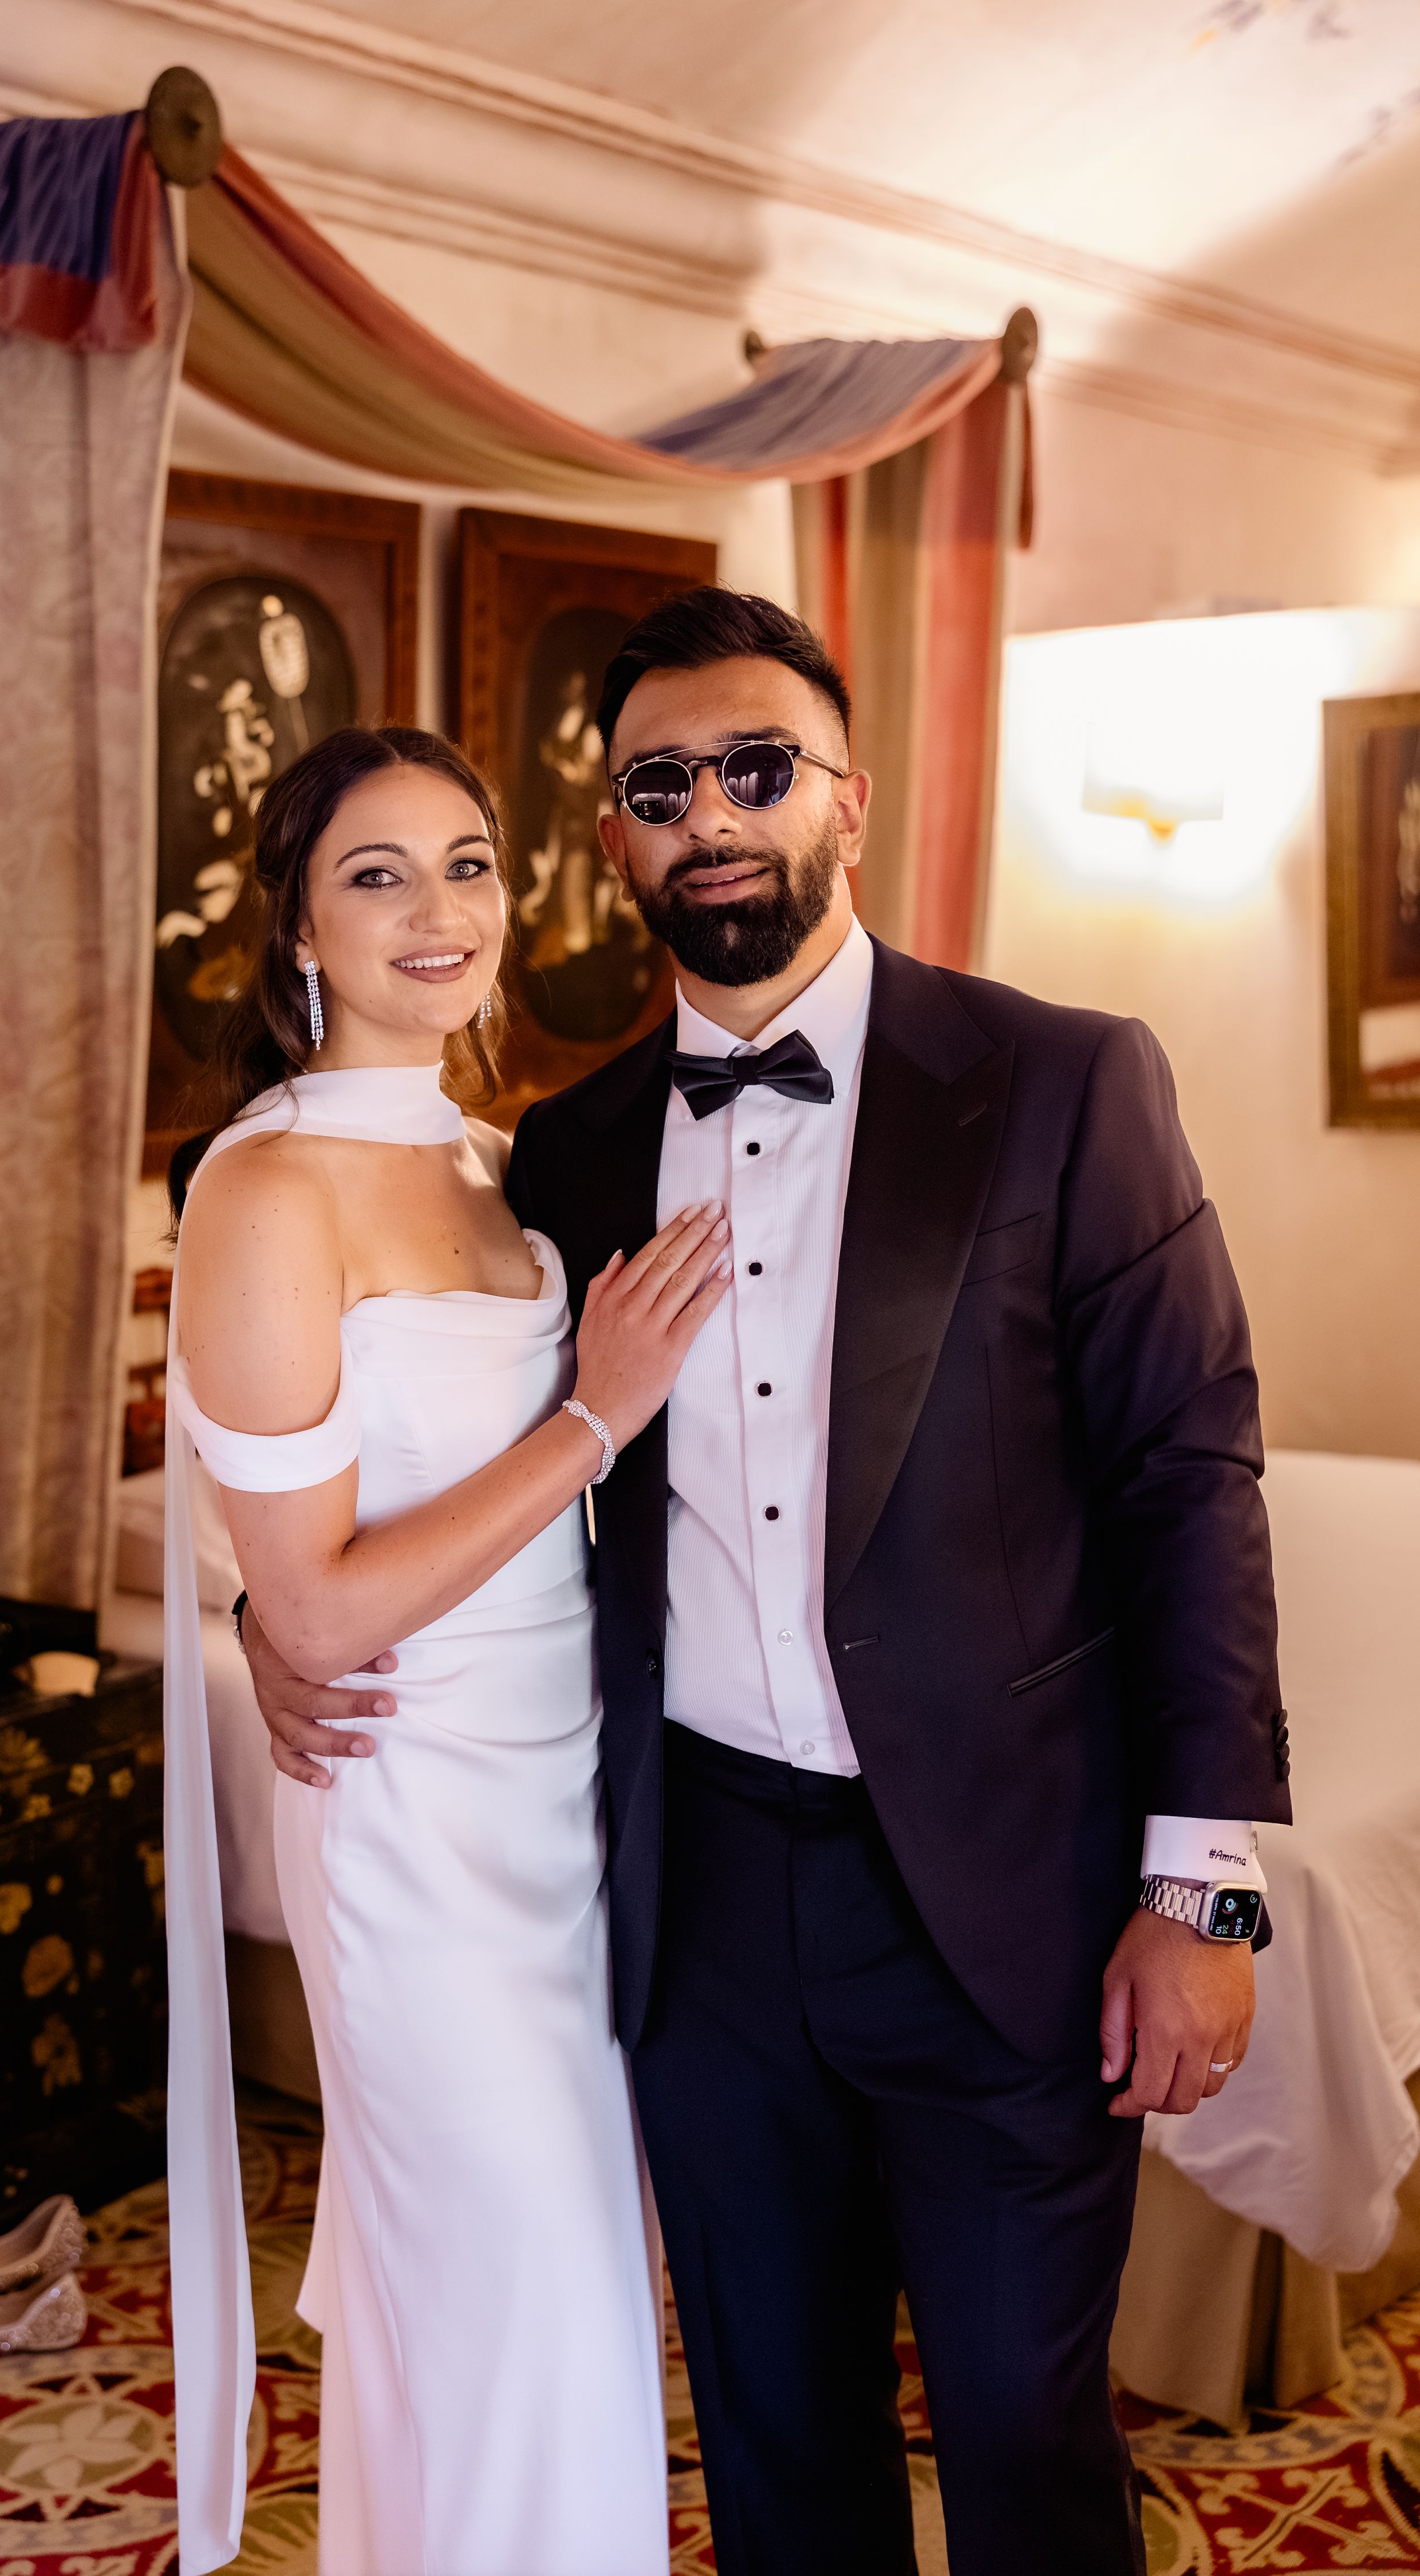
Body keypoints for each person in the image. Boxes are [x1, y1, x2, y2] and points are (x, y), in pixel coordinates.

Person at [246, 591, 1295, 2576]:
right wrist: (271, 1613)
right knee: (775, 2439)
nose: (711, 814)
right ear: (616, 840)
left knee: (1026, 2442)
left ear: (848, 798)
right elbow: (427, 1456)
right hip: (701, 1907)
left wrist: (1205, 1891)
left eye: (756, 767)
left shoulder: (1067, 1079)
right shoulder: (557, 1156)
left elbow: (1193, 1480)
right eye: (662, 787)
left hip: (1008, 1896)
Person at [162, 722, 731, 2576]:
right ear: (299, 931)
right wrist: (597, 1413)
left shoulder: (503, 1165)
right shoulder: (262, 1190)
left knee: (563, 2310)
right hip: (410, 1819)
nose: (439, 907)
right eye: (378, 873)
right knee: (513, 2301)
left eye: (468, 862)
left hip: (566, 1812)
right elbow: (317, 1606)